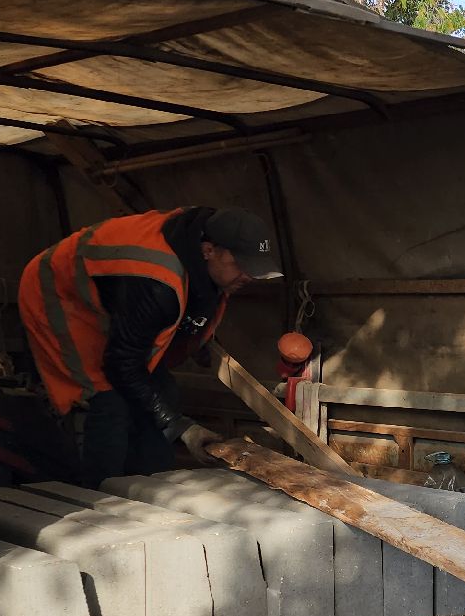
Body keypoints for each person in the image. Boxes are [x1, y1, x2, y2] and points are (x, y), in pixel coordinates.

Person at [18, 206, 280, 486]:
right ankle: (98, 494)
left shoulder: (205, 244)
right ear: (208, 251)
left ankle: (152, 486)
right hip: (60, 294)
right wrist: (181, 427)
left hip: (117, 300)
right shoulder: (156, 282)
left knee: (163, 389)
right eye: (241, 265)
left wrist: (196, 344)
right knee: (108, 400)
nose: (249, 276)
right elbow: (121, 364)